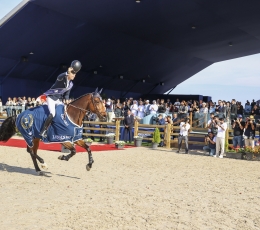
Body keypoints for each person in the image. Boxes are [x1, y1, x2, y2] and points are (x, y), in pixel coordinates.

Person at [39, 60, 82, 137]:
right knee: (53, 113)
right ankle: (43, 130)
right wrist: (67, 72)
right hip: (51, 98)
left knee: (64, 111)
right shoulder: (62, 78)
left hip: (58, 100)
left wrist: (67, 101)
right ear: (69, 74)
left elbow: (66, 95)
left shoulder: (71, 84)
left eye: (75, 74)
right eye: (73, 74)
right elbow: (59, 76)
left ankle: (60, 130)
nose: (74, 76)